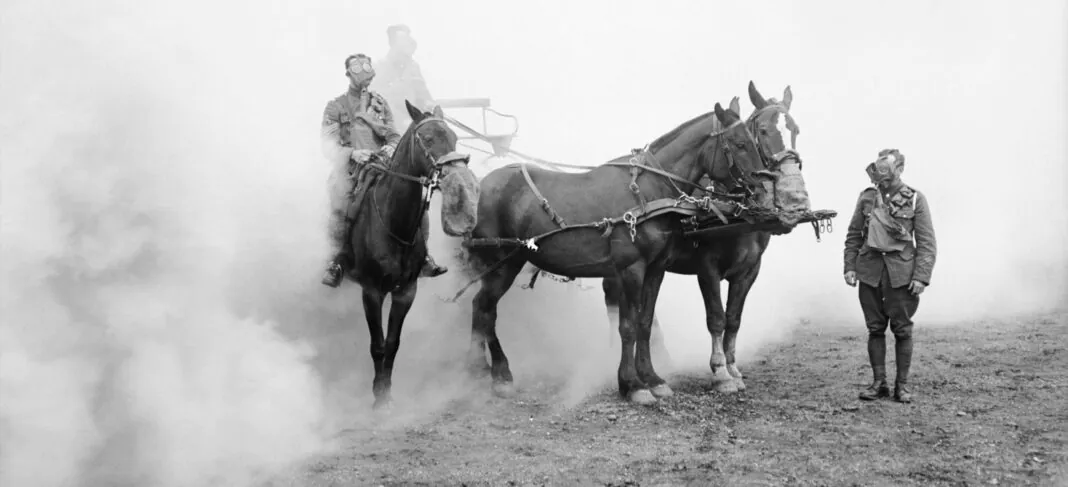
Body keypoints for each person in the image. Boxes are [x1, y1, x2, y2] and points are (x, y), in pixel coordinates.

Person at [320, 53, 447, 288]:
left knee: (415, 199)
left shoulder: (380, 103)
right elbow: (328, 144)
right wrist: (352, 154)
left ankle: (423, 256)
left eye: (365, 66)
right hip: (351, 169)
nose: (362, 72)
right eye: (356, 68)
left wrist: (390, 146)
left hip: (382, 165)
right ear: (348, 74)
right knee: (343, 202)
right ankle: (338, 260)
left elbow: (393, 133)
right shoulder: (335, 107)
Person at [843, 148, 937, 403]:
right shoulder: (867, 198)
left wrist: (921, 276)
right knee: (875, 329)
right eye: (880, 171)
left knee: (902, 330)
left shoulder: (916, 199)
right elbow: (854, 235)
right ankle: (878, 383)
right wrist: (850, 266)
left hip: (901, 275)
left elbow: (927, 243)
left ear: (901, 169)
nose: (883, 177)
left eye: (889, 171)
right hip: (870, 273)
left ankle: (902, 386)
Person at [371, 24, 435, 131]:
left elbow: (423, 94)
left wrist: (431, 107)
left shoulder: (413, 67)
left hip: (411, 123)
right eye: (403, 46)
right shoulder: (378, 67)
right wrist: (401, 120)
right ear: (393, 45)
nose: (409, 54)